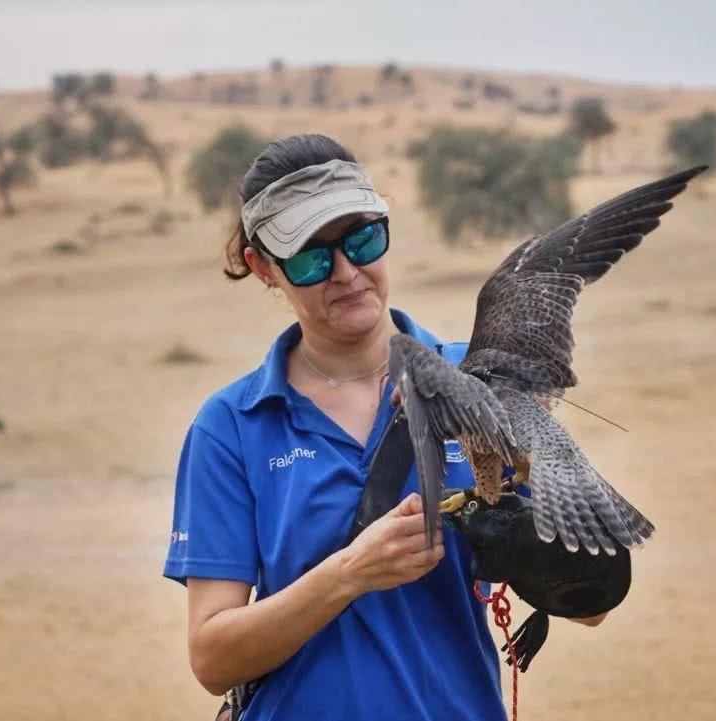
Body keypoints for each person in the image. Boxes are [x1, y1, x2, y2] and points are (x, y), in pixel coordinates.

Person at [163, 133, 605, 721]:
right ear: (263, 268)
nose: (346, 272)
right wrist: (350, 574)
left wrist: (527, 538)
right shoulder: (235, 425)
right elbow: (213, 659)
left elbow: (592, 604)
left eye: (363, 239)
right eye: (312, 257)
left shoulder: (481, 377)